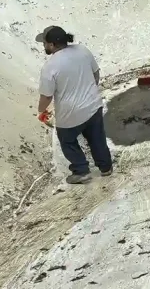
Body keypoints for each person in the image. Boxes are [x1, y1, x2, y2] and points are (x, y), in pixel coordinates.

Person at [35, 26, 113, 184]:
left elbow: (46, 96)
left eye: (44, 42)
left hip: (70, 115)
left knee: (68, 141)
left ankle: (81, 170)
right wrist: (89, 92)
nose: (43, 45)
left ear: (51, 45)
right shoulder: (82, 50)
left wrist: (41, 111)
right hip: (93, 106)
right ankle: (106, 168)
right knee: (97, 137)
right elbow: (96, 74)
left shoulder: (50, 67)